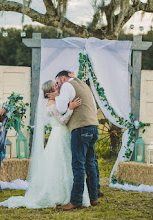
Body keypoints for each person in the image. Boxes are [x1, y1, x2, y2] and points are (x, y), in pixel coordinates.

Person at [0, 80, 90, 208]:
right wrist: (70, 109)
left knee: (69, 163)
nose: (58, 89)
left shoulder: (57, 101)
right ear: (49, 93)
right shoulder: (51, 105)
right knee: (60, 164)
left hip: (64, 135)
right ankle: (61, 195)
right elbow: (62, 121)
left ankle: (73, 195)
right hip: (58, 136)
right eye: (55, 88)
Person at [47, 70, 100, 210]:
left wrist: (61, 99)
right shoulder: (83, 85)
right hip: (93, 127)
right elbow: (94, 108)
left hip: (81, 128)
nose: (57, 86)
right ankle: (93, 197)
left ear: (63, 78)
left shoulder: (67, 86)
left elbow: (61, 108)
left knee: (78, 164)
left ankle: (76, 201)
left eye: (57, 82)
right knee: (90, 163)